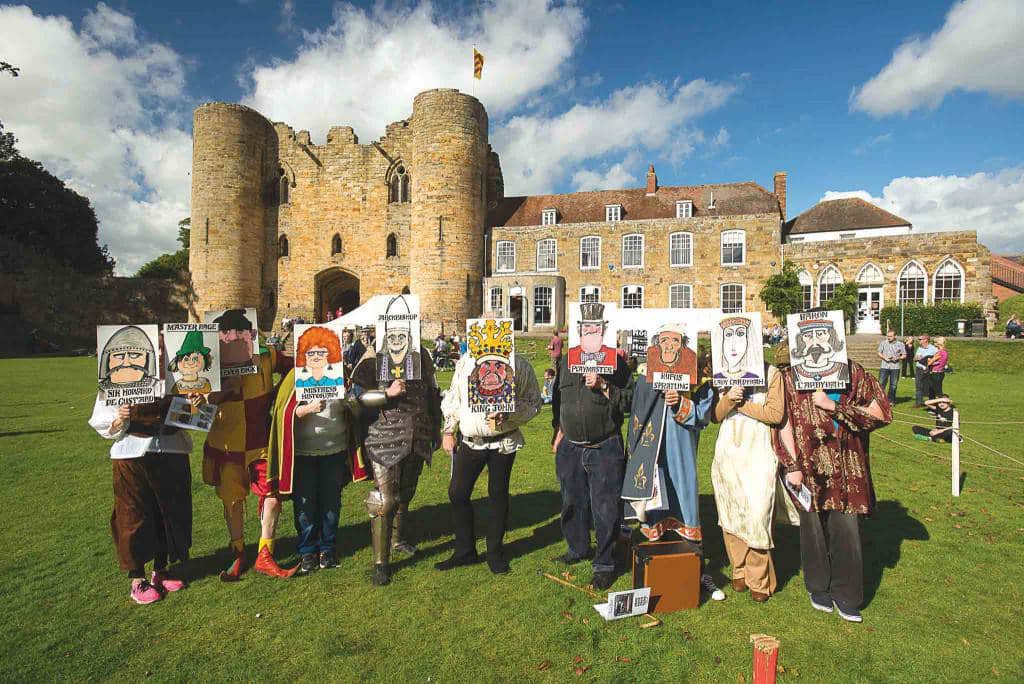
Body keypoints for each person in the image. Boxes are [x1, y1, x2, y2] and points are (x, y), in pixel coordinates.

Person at [774, 352, 892, 623]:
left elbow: (881, 413)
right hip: (807, 465)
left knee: (846, 528)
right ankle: (818, 586)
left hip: (847, 467)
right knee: (812, 528)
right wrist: (791, 465)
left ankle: (847, 594)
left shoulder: (853, 374)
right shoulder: (790, 377)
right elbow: (784, 422)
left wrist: (834, 407)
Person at [622, 323, 722, 601]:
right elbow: (635, 411)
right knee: (656, 508)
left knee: (686, 505)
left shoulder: (697, 382)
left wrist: (679, 402)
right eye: (664, 341)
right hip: (653, 455)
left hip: (681, 453)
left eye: (675, 341)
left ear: (683, 345)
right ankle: (657, 574)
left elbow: (702, 416)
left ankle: (697, 572)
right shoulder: (646, 377)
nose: (669, 346)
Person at [203, 308, 297, 581]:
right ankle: (238, 552)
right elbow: (198, 404)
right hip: (226, 443)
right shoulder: (208, 362)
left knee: (271, 493)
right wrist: (225, 388)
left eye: (239, 332)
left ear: (250, 334)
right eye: (226, 333)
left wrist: (279, 395)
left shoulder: (266, 354)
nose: (232, 337)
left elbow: (294, 367)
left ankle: (265, 553)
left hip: (260, 440)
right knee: (232, 499)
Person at [437, 337, 542, 574]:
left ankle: (494, 552)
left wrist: (510, 413)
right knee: (458, 492)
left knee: (497, 494)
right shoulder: (465, 363)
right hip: (471, 440)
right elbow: (454, 399)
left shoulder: (518, 365)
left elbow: (534, 401)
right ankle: (465, 551)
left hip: (502, 441)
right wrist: (448, 430)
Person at [552, 303, 633, 591]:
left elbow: (629, 401)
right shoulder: (567, 361)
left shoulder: (615, 362)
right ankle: (578, 548)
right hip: (571, 446)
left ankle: (605, 563)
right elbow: (559, 401)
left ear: (603, 331)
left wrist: (603, 385)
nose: (590, 333)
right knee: (572, 502)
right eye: (586, 329)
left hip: (604, 446)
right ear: (579, 331)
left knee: (606, 507)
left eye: (595, 329)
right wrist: (558, 433)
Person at [89, 394, 196, 604]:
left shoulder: (176, 368)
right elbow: (103, 417)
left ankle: (161, 569)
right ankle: (137, 578)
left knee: (169, 510)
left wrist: (195, 403)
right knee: (132, 513)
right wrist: (119, 419)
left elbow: (195, 409)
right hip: (131, 452)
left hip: (171, 448)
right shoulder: (119, 374)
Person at [350, 342, 441, 586]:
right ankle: (381, 563)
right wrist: (386, 394)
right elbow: (356, 396)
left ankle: (397, 540)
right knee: (384, 499)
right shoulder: (373, 356)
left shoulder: (421, 354)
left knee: (406, 493)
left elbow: (432, 391)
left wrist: (436, 427)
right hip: (384, 435)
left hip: (418, 432)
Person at [268, 365, 366, 574]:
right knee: (305, 503)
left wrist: (348, 401)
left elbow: (357, 410)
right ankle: (307, 551)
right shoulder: (296, 375)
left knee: (331, 501)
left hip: (334, 450)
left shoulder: (340, 373)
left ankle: (327, 549)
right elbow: (279, 411)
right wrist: (306, 409)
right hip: (304, 453)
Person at [711, 361, 795, 603]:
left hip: (759, 448)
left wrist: (742, 404)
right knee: (731, 511)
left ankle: (759, 579)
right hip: (729, 449)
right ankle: (739, 569)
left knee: (758, 513)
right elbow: (716, 415)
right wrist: (728, 399)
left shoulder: (772, 374)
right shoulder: (723, 371)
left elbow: (775, 414)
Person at [876, 329, 905, 403]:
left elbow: (904, 355)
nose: (888, 338)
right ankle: (879, 400)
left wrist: (897, 358)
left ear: (895, 336)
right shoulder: (883, 343)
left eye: (890, 336)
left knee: (893, 385)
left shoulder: (901, 344)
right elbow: (879, 352)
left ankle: (891, 400)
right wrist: (884, 358)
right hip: (884, 366)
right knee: (881, 383)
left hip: (895, 367)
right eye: (888, 336)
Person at [912, 334, 937, 407]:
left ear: (926, 340)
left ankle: (932, 402)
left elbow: (937, 358)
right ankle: (918, 402)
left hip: (928, 369)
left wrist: (929, 361)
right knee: (918, 385)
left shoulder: (933, 349)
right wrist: (916, 358)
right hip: (919, 369)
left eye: (920, 339)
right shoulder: (919, 348)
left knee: (930, 386)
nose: (919, 340)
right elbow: (914, 358)